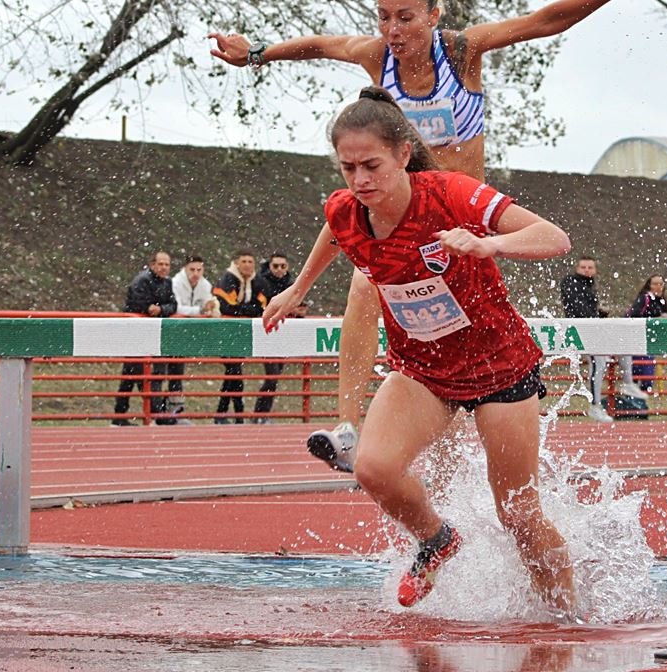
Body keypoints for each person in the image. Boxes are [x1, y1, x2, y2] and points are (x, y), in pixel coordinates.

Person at [211, 0, 667, 472]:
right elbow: (316, 45)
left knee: (456, 356)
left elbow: (544, 21)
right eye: (383, 17)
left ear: (433, 17)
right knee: (366, 282)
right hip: (403, 213)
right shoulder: (373, 56)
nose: (393, 30)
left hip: (461, 216)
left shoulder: (462, 52)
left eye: (406, 18)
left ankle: (469, 452)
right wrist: (256, 53)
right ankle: (347, 427)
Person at [261, 87, 576, 612]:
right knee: (373, 469)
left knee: (518, 514)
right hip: (424, 372)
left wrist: (489, 243)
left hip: (497, 370)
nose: (360, 181)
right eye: (347, 168)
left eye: (371, 165)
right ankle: (436, 539)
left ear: (404, 154)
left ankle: (568, 620)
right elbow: (335, 230)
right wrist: (299, 288)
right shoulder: (347, 208)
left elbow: (555, 237)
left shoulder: (451, 194)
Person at [559, 256, 640, 421]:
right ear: (577, 268)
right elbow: (576, 307)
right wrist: (593, 316)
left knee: (625, 345)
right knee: (599, 362)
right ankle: (595, 405)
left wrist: (599, 314)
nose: (586, 270)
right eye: (583, 267)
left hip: (594, 328)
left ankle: (628, 383)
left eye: (590, 267)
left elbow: (586, 308)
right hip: (581, 331)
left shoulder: (590, 286)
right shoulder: (571, 282)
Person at [113, 251, 178, 425]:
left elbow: (173, 305)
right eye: (161, 264)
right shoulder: (142, 281)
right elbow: (139, 304)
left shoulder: (167, 282)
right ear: (152, 265)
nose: (164, 268)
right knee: (136, 371)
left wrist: (161, 309)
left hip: (153, 332)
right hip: (136, 331)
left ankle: (127, 414)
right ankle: (146, 412)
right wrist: (155, 309)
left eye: (167, 264)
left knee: (143, 372)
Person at [212, 250, 268, 424]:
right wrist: (246, 310)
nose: (247, 265)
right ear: (236, 263)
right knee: (234, 372)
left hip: (241, 332)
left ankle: (226, 413)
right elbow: (227, 307)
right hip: (226, 331)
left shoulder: (257, 281)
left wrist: (244, 310)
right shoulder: (227, 279)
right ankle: (235, 413)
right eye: (243, 261)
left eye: (250, 261)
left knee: (233, 373)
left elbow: (261, 306)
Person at [168, 254, 218, 419]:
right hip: (174, 330)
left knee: (179, 370)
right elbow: (177, 308)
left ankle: (176, 408)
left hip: (191, 332)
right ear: (185, 269)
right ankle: (163, 409)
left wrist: (209, 308)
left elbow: (208, 305)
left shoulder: (205, 285)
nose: (196, 273)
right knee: (168, 370)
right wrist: (199, 311)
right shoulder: (175, 283)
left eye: (199, 269)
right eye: (192, 269)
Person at [254, 252, 295, 421]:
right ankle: (259, 414)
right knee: (272, 376)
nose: (279, 270)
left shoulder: (291, 283)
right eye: (275, 266)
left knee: (275, 377)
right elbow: (259, 306)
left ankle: (263, 414)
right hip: (267, 331)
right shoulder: (261, 282)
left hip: (283, 333)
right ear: (269, 267)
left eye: (282, 266)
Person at [626, 274, 667, 395]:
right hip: (637, 338)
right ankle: (638, 392)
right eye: (655, 284)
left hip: (649, 340)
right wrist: (656, 319)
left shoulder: (661, 300)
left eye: (661, 284)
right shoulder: (645, 299)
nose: (658, 287)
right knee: (643, 365)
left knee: (647, 365)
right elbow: (634, 316)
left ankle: (641, 393)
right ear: (649, 285)